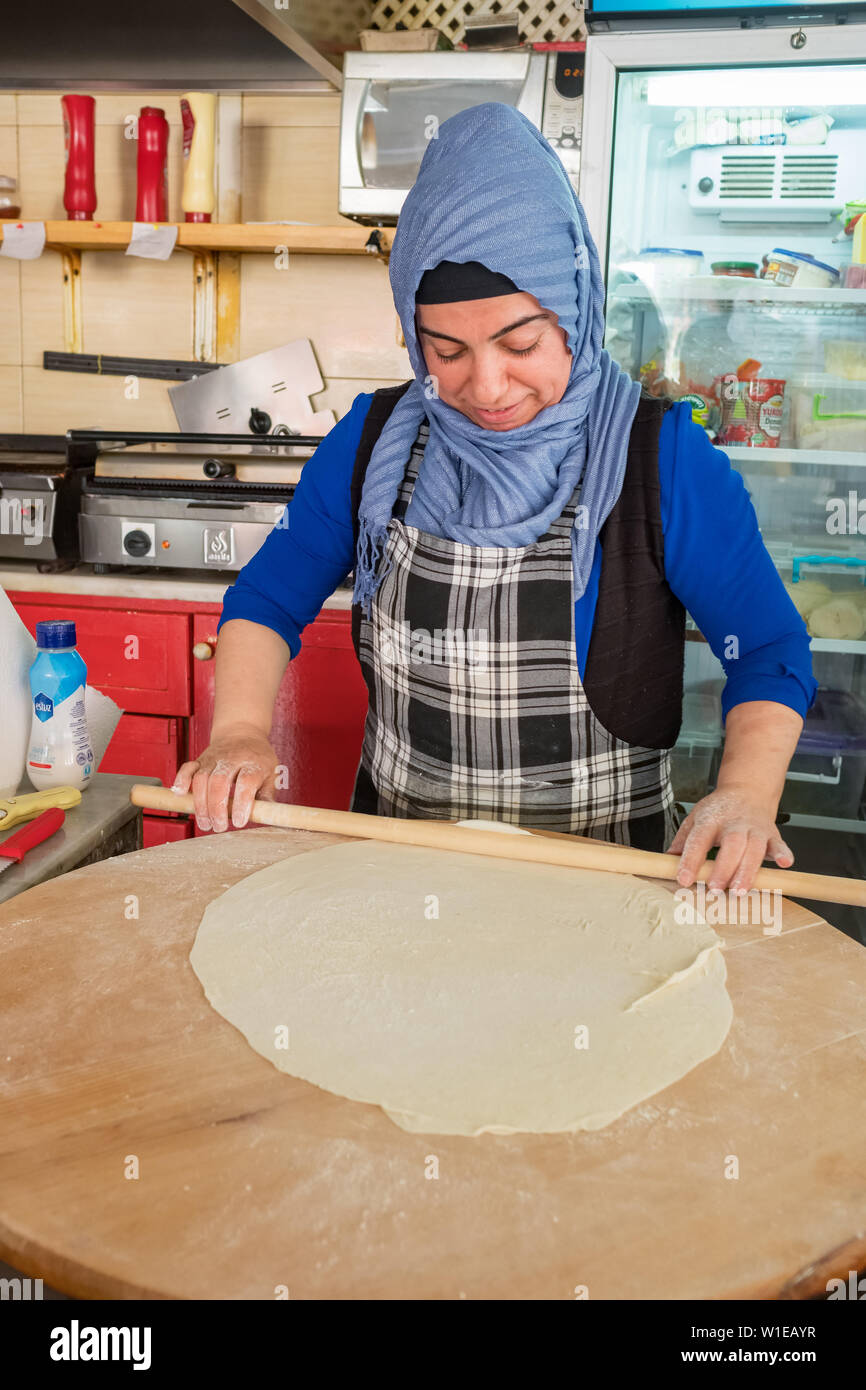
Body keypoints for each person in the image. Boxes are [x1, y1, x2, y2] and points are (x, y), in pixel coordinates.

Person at [173, 103, 816, 896]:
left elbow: (765, 650)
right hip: (402, 881)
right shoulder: (375, 444)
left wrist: (748, 793)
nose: (486, 387)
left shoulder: (662, 461)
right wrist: (237, 732)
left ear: (574, 310)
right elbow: (268, 600)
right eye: (446, 352)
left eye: (521, 345)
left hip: (610, 894)